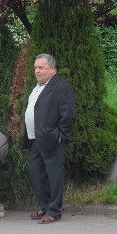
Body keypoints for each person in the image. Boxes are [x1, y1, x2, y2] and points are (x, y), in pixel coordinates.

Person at [22, 53, 76, 224]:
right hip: (35, 139)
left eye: (41, 68)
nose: (37, 71)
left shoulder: (61, 86)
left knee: (54, 175)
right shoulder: (38, 86)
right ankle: (45, 207)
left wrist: (59, 135)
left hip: (52, 139)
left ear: (52, 68)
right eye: (35, 68)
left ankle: (54, 211)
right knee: (36, 173)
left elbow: (68, 115)